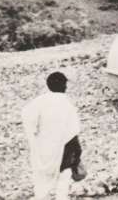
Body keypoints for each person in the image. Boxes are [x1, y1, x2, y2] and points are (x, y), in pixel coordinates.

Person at [22, 72, 82, 200]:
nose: (66, 87)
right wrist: (77, 151)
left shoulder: (39, 101)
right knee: (64, 177)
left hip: (44, 148)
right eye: (65, 84)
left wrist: (33, 135)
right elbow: (73, 131)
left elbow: (27, 116)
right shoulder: (66, 103)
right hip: (64, 148)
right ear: (63, 85)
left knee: (42, 180)